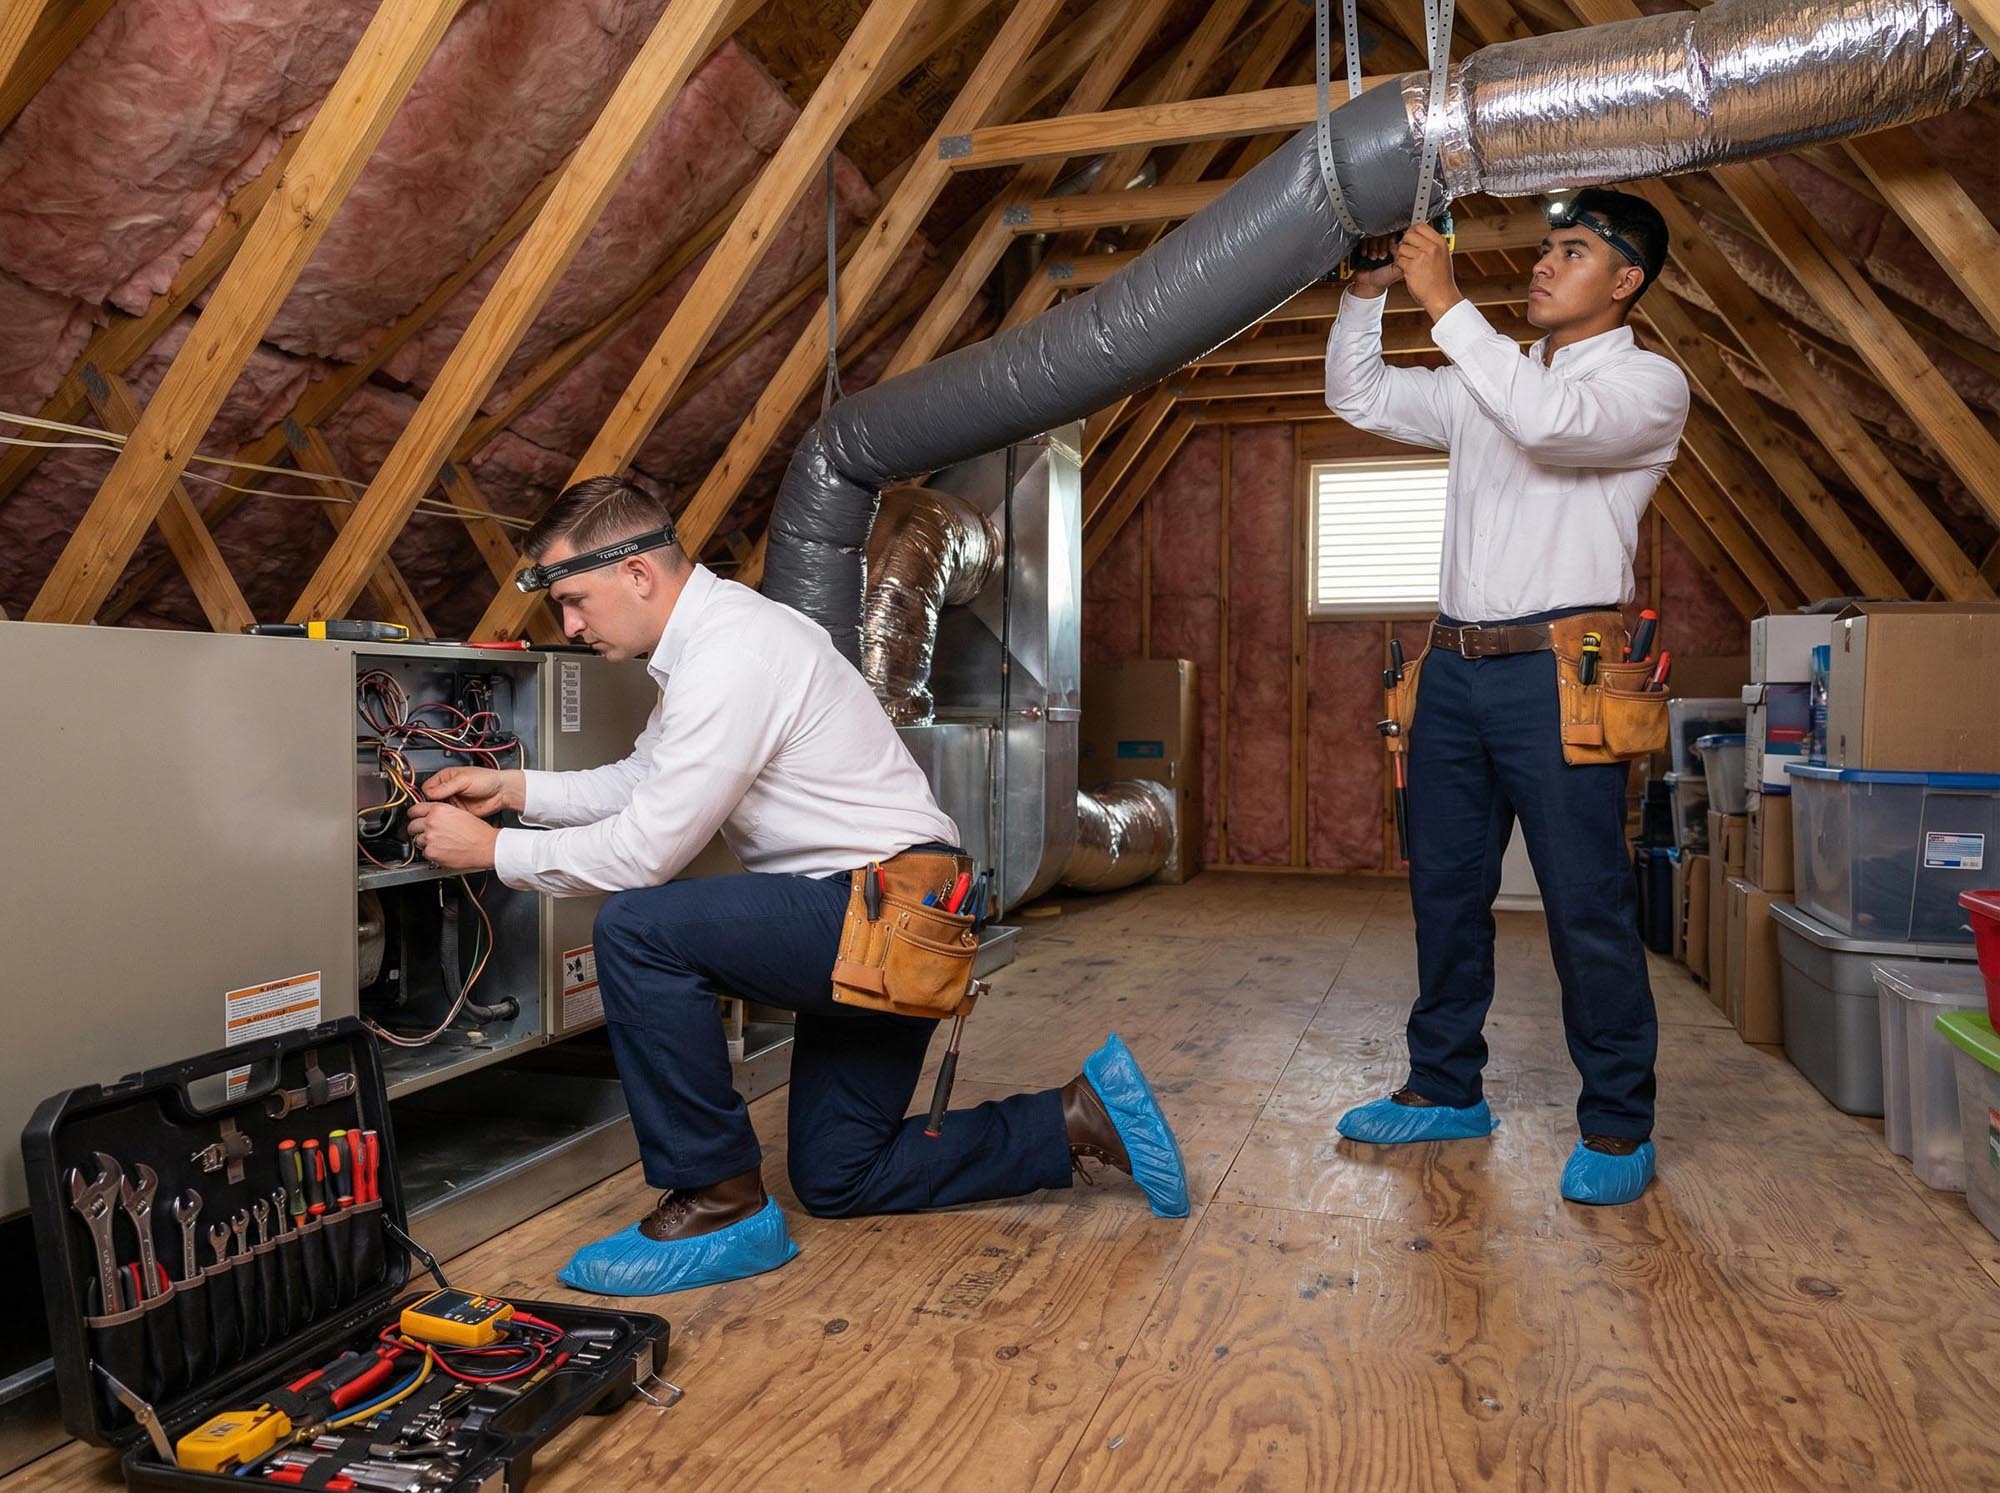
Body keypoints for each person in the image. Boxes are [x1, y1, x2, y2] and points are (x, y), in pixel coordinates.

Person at [405, 477, 1188, 1294]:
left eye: (573, 600)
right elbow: (644, 780)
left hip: (881, 911)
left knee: (640, 929)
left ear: (637, 573)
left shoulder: (731, 652)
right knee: (840, 1173)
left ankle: (719, 1202)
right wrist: (515, 790)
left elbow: (645, 853)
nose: (568, 624)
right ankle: (1078, 1118)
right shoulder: (714, 641)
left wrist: (493, 850)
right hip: (900, 917)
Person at [1322, 189, 1691, 1206]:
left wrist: (1443, 299)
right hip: (1451, 667)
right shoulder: (1486, 381)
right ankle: (1446, 1087)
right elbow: (1355, 394)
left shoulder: (1647, 385)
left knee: (1583, 900)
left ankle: (1616, 1121)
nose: (1542, 263)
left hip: (1561, 675)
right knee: (1444, 890)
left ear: (1624, 280)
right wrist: (1367, 291)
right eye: (1543, 248)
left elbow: (1548, 422)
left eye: (1571, 251)